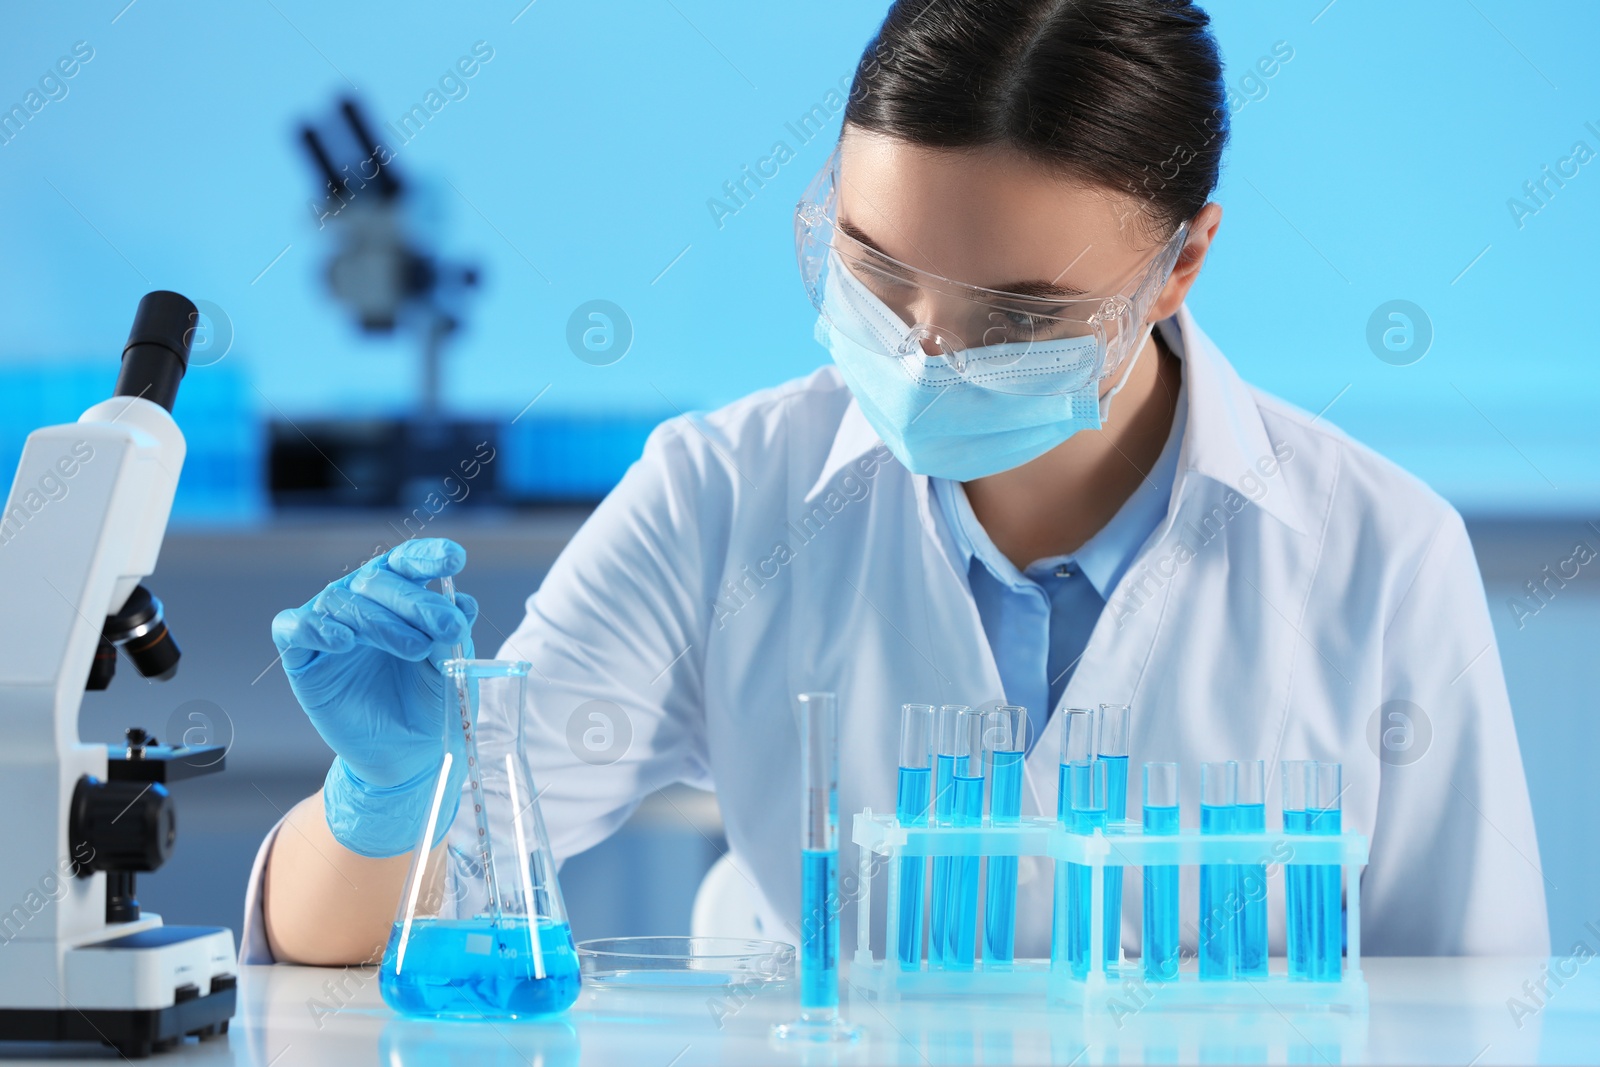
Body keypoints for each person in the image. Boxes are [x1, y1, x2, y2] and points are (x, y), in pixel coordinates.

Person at [248, 0, 1549, 966]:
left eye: (1017, 315)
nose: (924, 353)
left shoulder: (1380, 557)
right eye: (875, 270)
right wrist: (386, 803)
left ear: (1183, 266)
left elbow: (1483, 1016)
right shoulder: (722, 503)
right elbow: (361, 940)